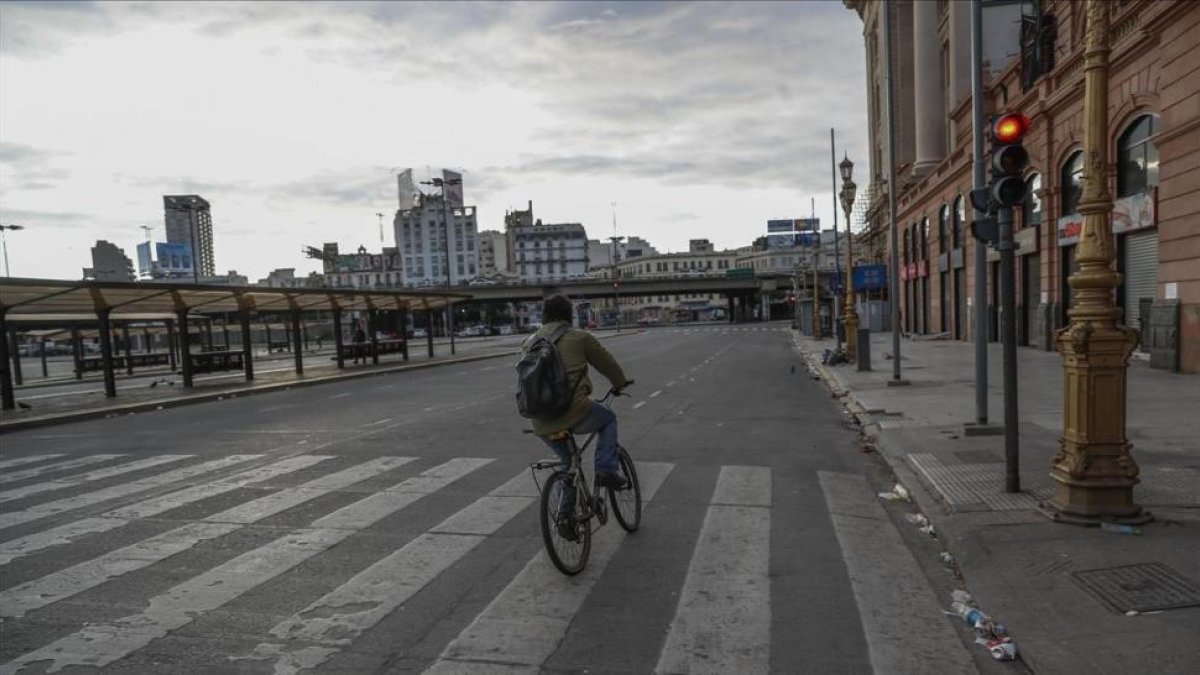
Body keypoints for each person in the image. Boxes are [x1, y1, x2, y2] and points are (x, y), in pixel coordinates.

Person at [525, 294, 631, 494]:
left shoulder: (529, 342)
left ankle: (564, 518)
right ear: (569, 316)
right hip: (574, 411)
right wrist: (619, 384)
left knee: (568, 464)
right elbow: (608, 365)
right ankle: (606, 470)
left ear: (544, 316)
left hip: (539, 417)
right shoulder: (580, 338)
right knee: (608, 419)